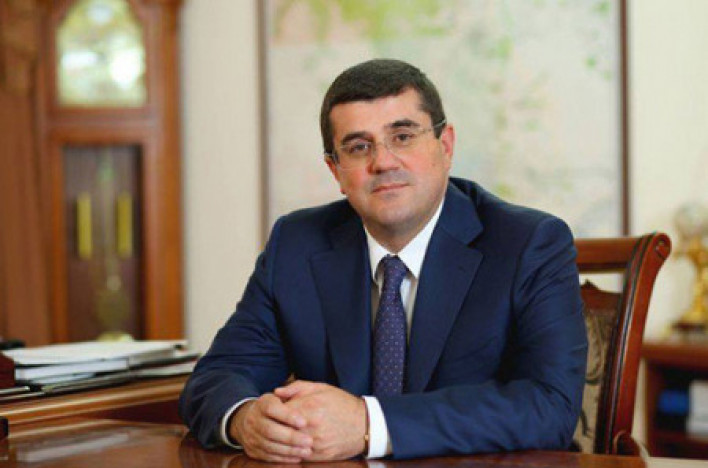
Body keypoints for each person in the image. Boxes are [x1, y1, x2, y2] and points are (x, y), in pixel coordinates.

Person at [179, 58, 588, 462]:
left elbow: (549, 406)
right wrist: (247, 419)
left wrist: (369, 423)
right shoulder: (297, 244)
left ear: (445, 146)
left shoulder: (529, 243)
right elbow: (218, 376)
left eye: (403, 137)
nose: (384, 162)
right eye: (359, 147)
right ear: (335, 170)